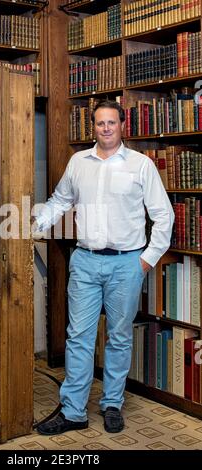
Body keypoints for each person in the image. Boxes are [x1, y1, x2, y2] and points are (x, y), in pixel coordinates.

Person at [33, 100, 174, 435]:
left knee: (119, 337)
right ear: (92, 127)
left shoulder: (141, 165)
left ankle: (112, 404)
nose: (106, 128)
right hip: (84, 261)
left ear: (123, 125)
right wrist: (35, 223)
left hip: (127, 263)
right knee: (79, 337)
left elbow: (163, 216)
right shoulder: (78, 162)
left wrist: (145, 261)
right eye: (100, 123)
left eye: (112, 122)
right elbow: (61, 199)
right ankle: (74, 412)